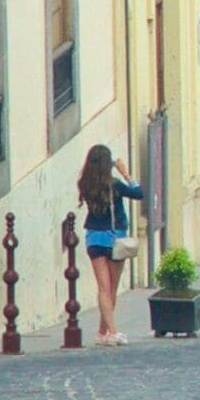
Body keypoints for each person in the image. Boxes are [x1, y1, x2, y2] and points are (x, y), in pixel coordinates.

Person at [79, 144, 149, 343]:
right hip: (114, 237)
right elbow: (138, 193)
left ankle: (103, 333)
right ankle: (113, 331)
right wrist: (125, 173)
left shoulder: (84, 184)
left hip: (93, 238)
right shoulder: (115, 185)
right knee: (112, 288)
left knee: (103, 288)